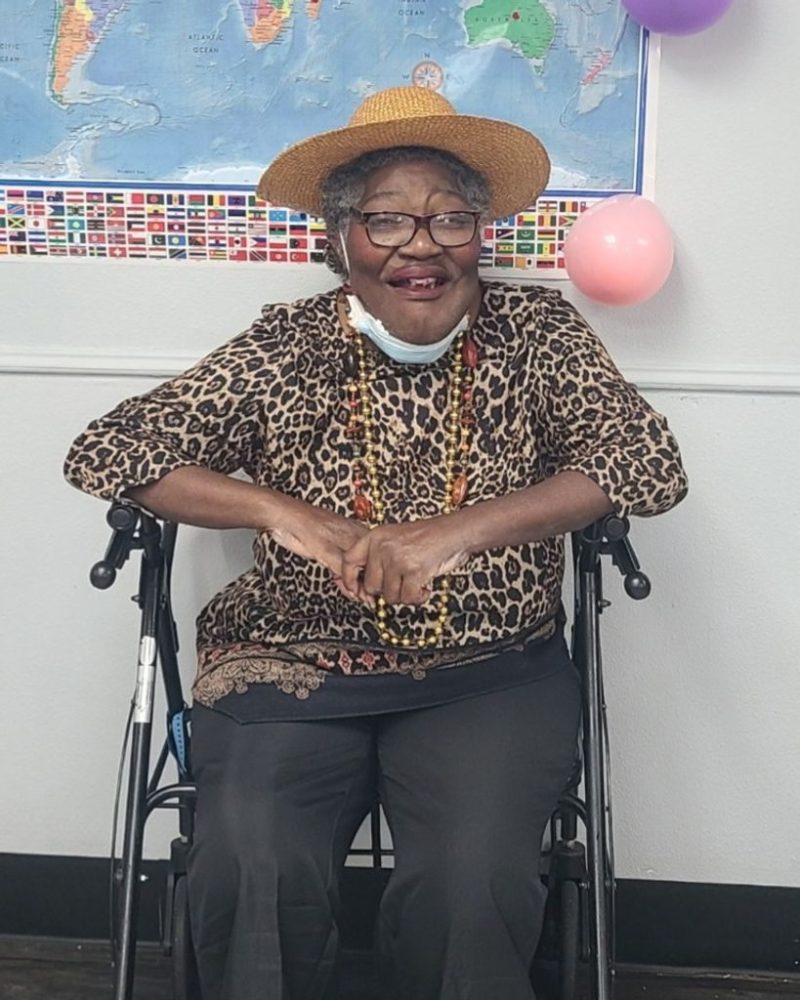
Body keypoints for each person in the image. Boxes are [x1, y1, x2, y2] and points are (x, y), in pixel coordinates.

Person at [65, 86, 687, 1000]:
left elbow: (647, 461)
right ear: (342, 239)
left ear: (480, 233)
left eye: (450, 219)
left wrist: (460, 534)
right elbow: (110, 449)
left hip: (489, 669)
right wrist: (278, 513)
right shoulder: (287, 343)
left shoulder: (538, 331)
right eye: (387, 220)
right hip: (290, 666)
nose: (421, 246)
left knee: (470, 885)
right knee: (254, 866)